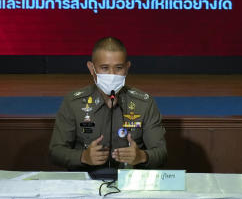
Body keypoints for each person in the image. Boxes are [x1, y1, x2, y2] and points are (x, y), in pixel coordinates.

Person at [49, 37, 167, 170]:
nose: (112, 74)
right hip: (86, 183)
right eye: (104, 68)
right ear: (92, 69)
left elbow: (161, 152)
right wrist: (83, 157)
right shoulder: (73, 103)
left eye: (119, 68)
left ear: (127, 68)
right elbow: (56, 151)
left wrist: (142, 156)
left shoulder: (144, 103)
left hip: (129, 184)